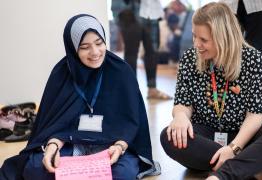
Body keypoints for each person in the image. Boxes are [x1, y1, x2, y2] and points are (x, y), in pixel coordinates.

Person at [0, 14, 160, 180]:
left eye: (99, 43)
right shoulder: (61, 73)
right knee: (35, 168)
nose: (95, 52)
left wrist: (119, 146)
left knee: (122, 173)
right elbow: (53, 123)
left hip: (110, 145)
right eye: (84, 47)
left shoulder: (121, 71)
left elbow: (132, 122)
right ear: (73, 48)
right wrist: (53, 145)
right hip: (70, 143)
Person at [160, 3, 262, 180]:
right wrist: (180, 116)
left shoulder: (254, 60)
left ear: (223, 37)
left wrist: (234, 148)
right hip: (207, 138)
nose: (197, 44)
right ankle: (250, 167)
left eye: (203, 40)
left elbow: (255, 115)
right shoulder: (190, 58)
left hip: (247, 138)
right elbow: (182, 102)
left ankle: (224, 174)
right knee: (169, 135)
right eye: (194, 36)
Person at [111, 0, 172, 100]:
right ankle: (131, 90)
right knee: (131, 53)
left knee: (152, 51)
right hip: (129, 8)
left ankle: (152, 89)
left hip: (151, 11)